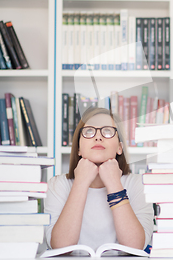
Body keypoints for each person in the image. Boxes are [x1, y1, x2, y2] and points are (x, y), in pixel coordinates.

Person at [44, 107, 153, 252]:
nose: (98, 137)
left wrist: (114, 183)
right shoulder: (57, 185)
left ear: (119, 148)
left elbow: (136, 246)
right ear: (78, 149)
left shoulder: (138, 184)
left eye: (107, 131)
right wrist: (81, 183)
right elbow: (60, 247)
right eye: (89, 131)